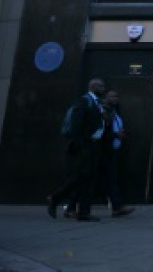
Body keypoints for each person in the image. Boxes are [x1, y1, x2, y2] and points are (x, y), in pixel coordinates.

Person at [47, 77, 108, 222]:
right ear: (93, 87)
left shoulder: (98, 103)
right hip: (85, 145)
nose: (103, 89)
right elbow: (76, 125)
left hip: (94, 144)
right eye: (101, 86)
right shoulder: (84, 101)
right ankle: (56, 198)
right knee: (81, 177)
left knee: (89, 179)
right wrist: (80, 143)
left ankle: (83, 212)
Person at [98, 89, 134, 217]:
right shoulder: (103, 110)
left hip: (112, 149)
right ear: (106, 97)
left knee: (109, 178)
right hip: (104, 150)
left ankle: (117, 206)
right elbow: (100, 131)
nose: (115, 98)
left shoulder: (114, 111)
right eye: (112, 96)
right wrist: (115, 135)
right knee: (106, 178)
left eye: (117, 96)